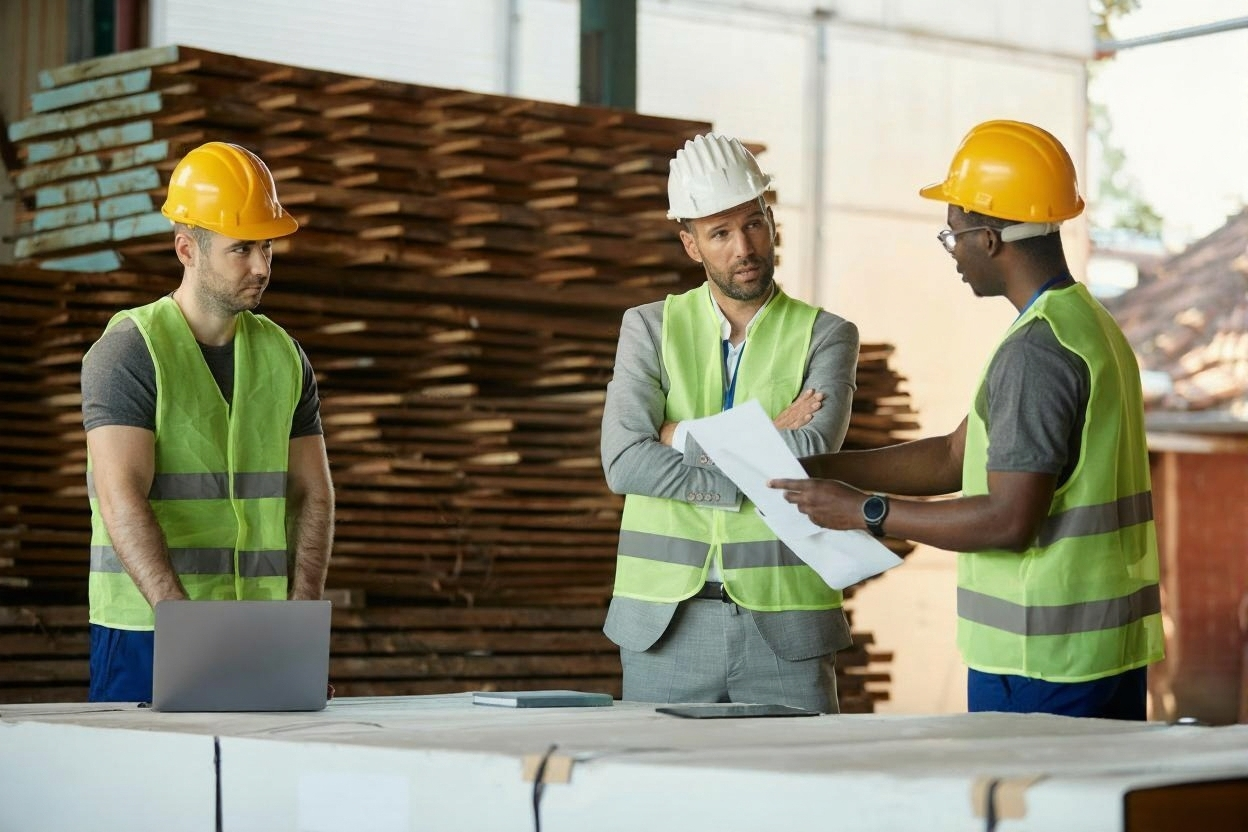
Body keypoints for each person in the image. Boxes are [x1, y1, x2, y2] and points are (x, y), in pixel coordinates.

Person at [770, 120, 1164, 719]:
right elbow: (956, 456)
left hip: (1040, 664)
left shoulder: (1036, 352)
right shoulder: (1085, 324)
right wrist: (817, 467)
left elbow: (1008, 519)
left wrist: (864, 511)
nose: (951, 250)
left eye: (952, 234)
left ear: (990, 239)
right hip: (1102, 654)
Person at [600, 133, 861, 712]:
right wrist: (763, 440)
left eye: (754, 224)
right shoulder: (648, 328)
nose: (744, 246)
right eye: (720, 233)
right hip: (663, 626)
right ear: (690, 244)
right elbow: (622, 462)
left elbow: (807, 452)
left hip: (786, 628)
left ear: (772, 222)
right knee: (662, 799)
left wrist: (674, 435)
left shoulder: (827, 335)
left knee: (794, 801)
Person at [81, 142, 335, 703]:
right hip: (147, 630)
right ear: (186, 250)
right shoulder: (129, 350)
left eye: (267, 247)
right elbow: (122, 498)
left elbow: (312, 495)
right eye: (240, 249)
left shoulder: (284, 356)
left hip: (262, 629)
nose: (261, 267)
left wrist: (302, 625)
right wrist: (184, 632)